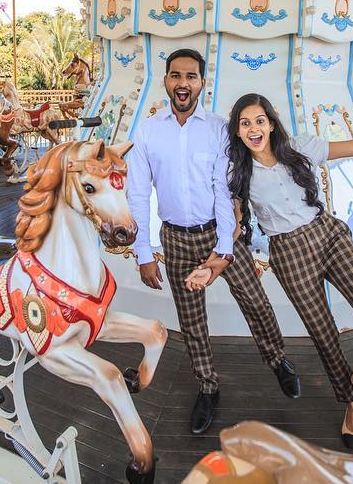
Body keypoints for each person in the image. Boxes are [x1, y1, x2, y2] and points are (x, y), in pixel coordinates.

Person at [187, 93, 353, 449]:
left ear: (271, 122)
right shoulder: (238, 173)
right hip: (288, 253)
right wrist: (212, 267)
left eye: (259, 120)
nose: (254, 129)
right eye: (245, 123)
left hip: (328, 235)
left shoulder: (300, 148)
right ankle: (350, 406)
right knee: (325, 338)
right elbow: (233, 227)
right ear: (236, 131)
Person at [126, 50, 300, 435]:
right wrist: (143, 253)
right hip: (174, 238)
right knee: (191, 320)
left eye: (191, 76)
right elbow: (138, 195)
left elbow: (225, 192)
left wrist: (224, 248)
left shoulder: (220, 128)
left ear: (202, 82)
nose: (183, 83)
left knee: (255, 299)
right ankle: (207, 387)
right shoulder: (148, 131)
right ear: (166, 81)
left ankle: (277, 360)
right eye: (175, 76)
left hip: (218, 232)